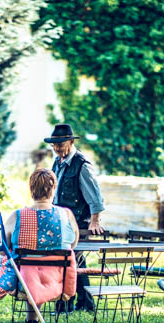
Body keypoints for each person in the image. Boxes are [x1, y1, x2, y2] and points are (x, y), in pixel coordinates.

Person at [0, 168, 79, 323]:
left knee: (21, 268)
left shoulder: (17, 216)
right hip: (57, 281)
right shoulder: (66, 215)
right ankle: (32, 320)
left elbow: (3, 250)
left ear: (31, 189)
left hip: (22, 282)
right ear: (53, 188)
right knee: (37, 269)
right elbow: (73, 244)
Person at [44, 124, 105, 312]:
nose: (56, 148)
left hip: (78, 224)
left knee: (67, 261)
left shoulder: (82, 165)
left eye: (60, 144)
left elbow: (95, 197)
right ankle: (85, 303)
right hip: (62, 222)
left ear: (71, 142)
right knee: (75, 261)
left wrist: (94, 221)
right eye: (54, 145)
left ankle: (66, 304)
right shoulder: (58, 162)